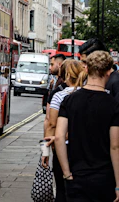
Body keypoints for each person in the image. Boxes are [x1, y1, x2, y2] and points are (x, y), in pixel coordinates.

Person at [55, 51, 119, 202]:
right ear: (108, 72)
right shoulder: (113, 105)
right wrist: (118, 185)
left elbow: (58, 137)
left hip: (77, 177)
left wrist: (66, 174)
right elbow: (115, 146)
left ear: (86, 69)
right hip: (104, 179)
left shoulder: (69, 100)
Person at [42, 59, 86, 202]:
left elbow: (51, 125)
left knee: (61, 188)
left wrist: (45, 151)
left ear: (66, 75)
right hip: (84, 148)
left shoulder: (59, 96)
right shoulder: (88, 94)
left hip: (62, 148)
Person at [44, 54, 66, 135]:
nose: (50, 67)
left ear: (60, 65)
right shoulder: (56, 80)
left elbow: (49, 118)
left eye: (52, 64)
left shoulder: (61, 84)